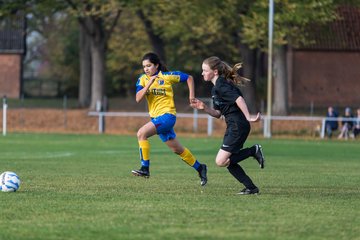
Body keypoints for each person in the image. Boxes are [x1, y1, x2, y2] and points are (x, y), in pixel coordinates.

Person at [190, 56, 265, 195]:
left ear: (215, 72)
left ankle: (253, 151)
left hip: (237, 125)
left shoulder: (221, 85)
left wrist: (249, 116)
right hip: (233, 126)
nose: (202, 73)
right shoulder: (216, 89)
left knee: (221, 161)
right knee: (227, 161)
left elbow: (239, 99)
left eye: (205, 70)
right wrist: (204, 107)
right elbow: (218, 113)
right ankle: (251, 188)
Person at [131, 52, 208, 186]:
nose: (146, 69)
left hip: (167, 116)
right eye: (144, 67)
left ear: (156, 65)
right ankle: (200, 167)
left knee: (141, 133)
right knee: (177, 150)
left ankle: (145, 168)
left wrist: (191, 97)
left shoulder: (167, 76)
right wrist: (149, 83)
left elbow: (189, 78)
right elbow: (138, 98)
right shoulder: (143, 79)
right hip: (157, 118)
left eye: (149, 66)